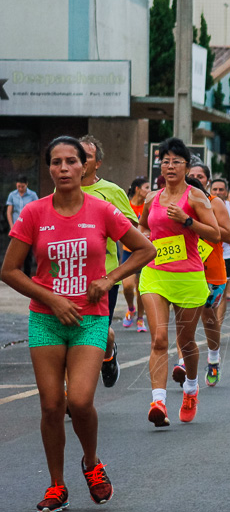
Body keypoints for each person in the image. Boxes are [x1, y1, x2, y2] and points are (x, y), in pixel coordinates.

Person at [1, 136, 155, 512]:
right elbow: (9, 271)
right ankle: (57, 486)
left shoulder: (101, 210)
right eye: (57, 162)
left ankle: (91, 463)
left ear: (86, 166)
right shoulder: (34, 213)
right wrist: (51, 298)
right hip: (45, 320)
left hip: (90, 319)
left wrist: (108, 280)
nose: (65, 168)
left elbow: (145, 249)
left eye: (73, 160)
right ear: (49, 168)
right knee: (52, 406)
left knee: (81, 401)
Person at [138, 139, 222, 426]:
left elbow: (215, 235)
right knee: (159, 339)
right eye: (165, 161)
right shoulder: (151, 197)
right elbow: (143, 227)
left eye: (176, 161)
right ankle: (158, 401)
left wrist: (188, 221)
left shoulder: (196, 198)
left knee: (185, 342)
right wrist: (144, 239)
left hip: (188, 276)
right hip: (156, 272)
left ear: (186, 166)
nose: (169, 166)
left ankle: (191, 388)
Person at [79, 135, 140, 389]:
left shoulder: (111, 191)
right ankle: (74, 391)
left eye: (87, 156)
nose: (80, 161)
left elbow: (132, 228)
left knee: (97, 332)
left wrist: (100, 228)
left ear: (98, 163)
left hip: (105, 275)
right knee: (74, 334)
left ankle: (108, 351)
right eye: (75, 156)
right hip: (69, 275)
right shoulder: (61, 190)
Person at [170, 162, 230, 387]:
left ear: (207, 179)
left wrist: (195, 224)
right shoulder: (174, 201)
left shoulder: (214, 203)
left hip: (211, 271)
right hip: (183, 268)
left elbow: (227, 236)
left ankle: (214, 358)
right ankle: (182, 362)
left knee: (209, 318)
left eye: (200, 175)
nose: (195, 178)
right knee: (182, 319)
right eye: (192, 175)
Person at [121, 176, 150, 333]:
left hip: (144, 252)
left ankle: (140, 318)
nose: (149, 190)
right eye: (146, 187)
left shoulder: (148, 206)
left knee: (141, 288)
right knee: (127, 286)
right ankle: (130, 308)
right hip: (128, 252)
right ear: (137, 189)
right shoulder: (126, 205)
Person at [6, 177, 39, 276]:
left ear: (27, 184)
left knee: (27, 254)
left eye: (22, 186)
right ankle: (15, 275)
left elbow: (36, 210)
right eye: (19, 186)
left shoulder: (32, 195)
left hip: (28, 227)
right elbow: (9, 211)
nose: (20, 188)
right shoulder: (12, 195)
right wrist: (11, 226)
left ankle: (27, 275)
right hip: (16, 227)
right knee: (15, 253)